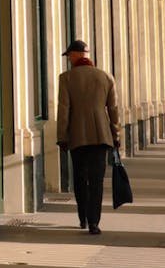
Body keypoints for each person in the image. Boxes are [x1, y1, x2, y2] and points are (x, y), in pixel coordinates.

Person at [56, 39, 120, 235]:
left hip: (77, 136)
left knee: (80, 178)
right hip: (101, 135)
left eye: (69, 56)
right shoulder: (106, 77)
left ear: (76, 55)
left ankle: (83, 217)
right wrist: (116, 133)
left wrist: (62, 136)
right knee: (97, 180)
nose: (69, 60)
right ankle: (94, 222)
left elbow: (64, 109)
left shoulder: (66, 78)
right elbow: (113, 109)